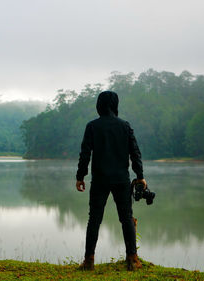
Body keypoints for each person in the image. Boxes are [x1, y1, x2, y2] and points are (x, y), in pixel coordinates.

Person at [75, 90, 146, 271]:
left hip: (99, 179)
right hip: (121, 179)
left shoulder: (92, 126)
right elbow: (135, 153)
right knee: (126, 219)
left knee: (94, 219)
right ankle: (132, 259)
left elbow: (85, 154)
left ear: (99, 105)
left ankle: (89, 261)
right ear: (115, 105)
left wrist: (80, 176)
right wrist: (140, 176)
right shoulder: (125, 126)